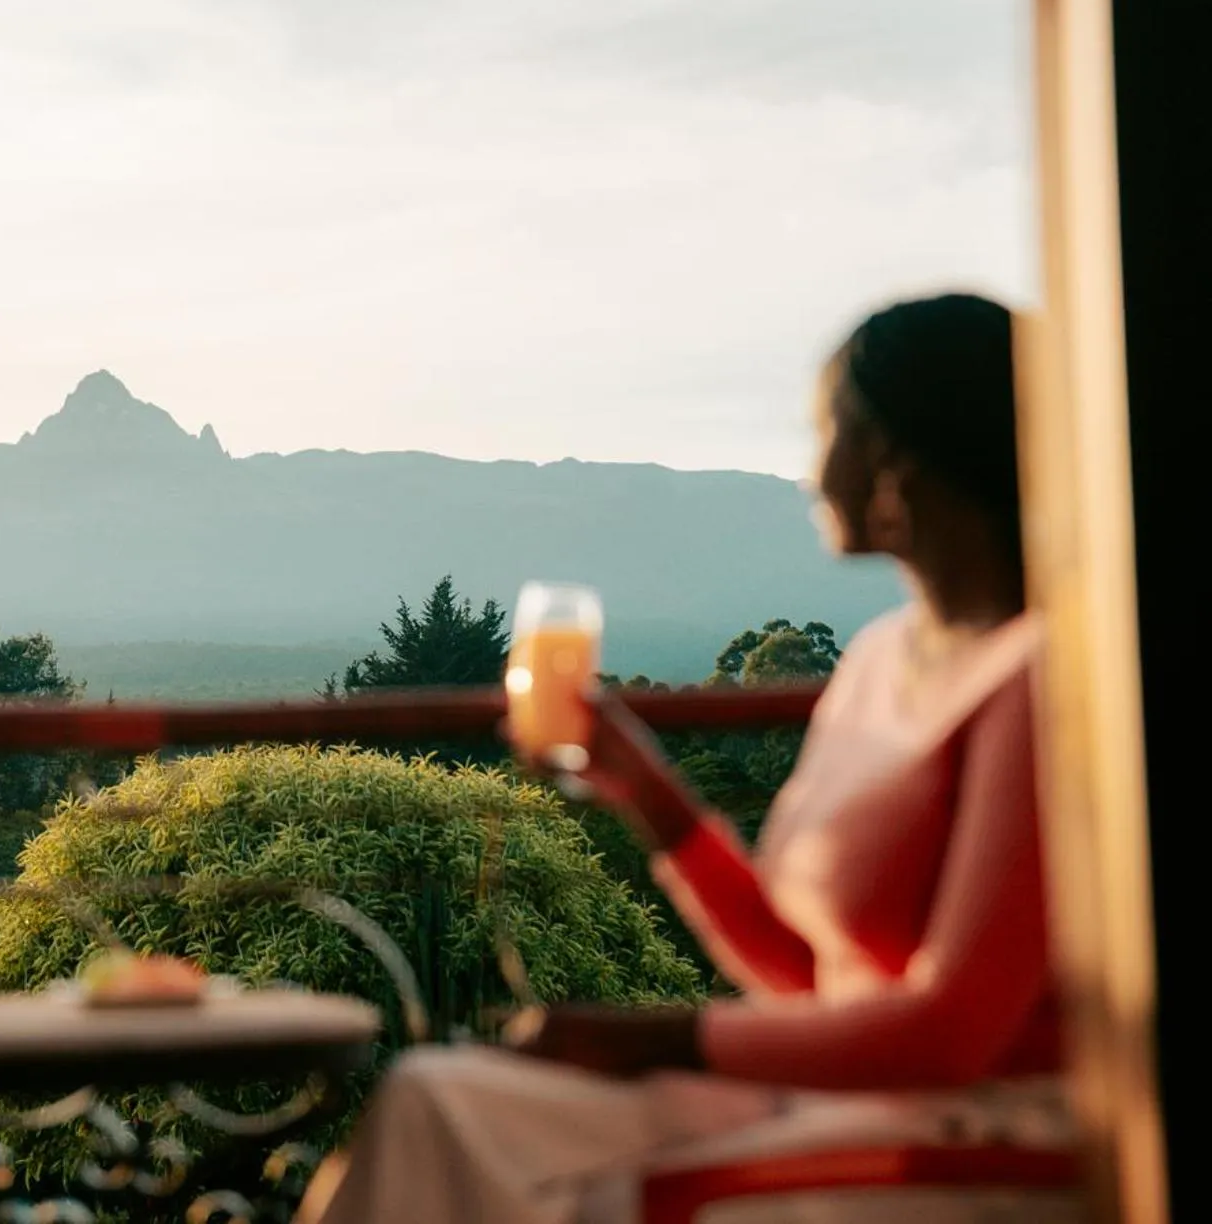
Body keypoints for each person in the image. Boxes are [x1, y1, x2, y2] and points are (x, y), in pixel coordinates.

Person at [302, 293, 1073, 1223]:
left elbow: (951, 1034)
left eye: (824, 433)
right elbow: (807, 976)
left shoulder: (1040, 680)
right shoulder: (878, 659)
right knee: (438, 1101)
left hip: (978, 1131)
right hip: (847, 1092)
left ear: (894, 460)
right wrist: (642, 788)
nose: (805, 471)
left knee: (595, 1197)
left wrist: (655, 1038)